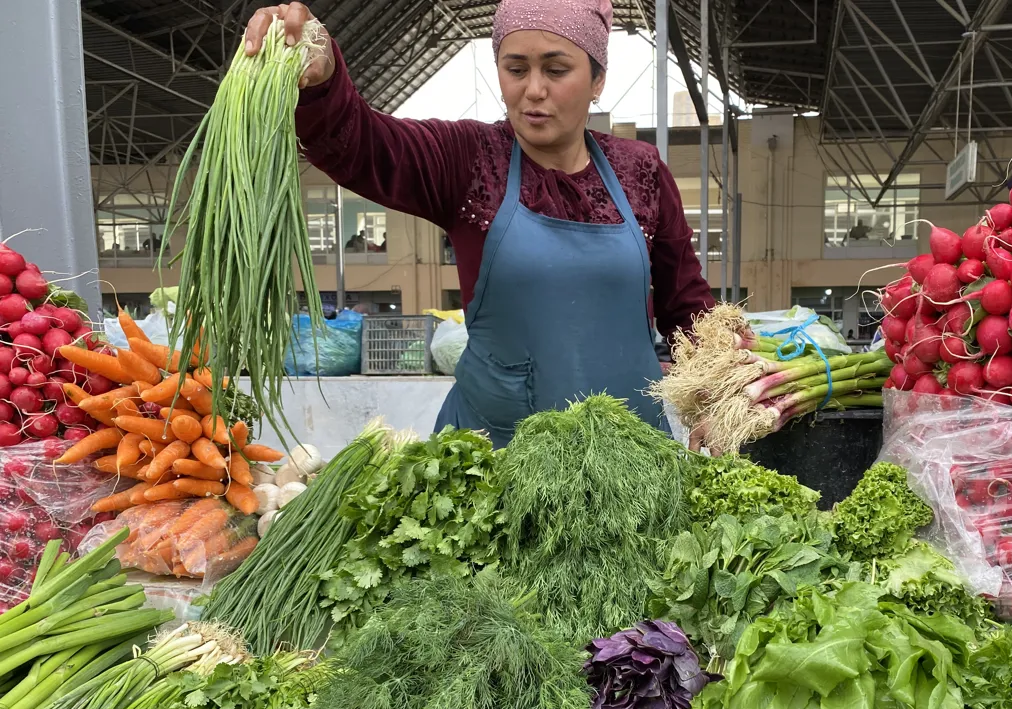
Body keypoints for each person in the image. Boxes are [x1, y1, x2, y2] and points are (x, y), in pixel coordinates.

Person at [243, 1, 714, 448]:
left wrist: (720, 395)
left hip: (632, 460)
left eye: (556, 69)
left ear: (597, 80)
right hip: (496, 457)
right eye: (515, 69)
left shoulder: (641, 171)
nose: (533, 90)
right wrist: (323, 80)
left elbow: (686, 304)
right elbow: (366, 145)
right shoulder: (468, 160)